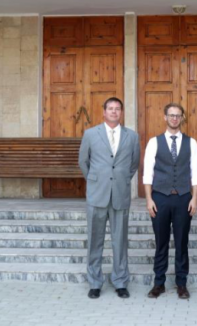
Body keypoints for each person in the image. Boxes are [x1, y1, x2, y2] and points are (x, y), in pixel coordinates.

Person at [78, 97, 140, 299]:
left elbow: (134, 164)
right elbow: (83, 161)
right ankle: (95, 283)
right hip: (97, 195)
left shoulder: (132, 136)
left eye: (117, 109)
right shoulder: (90, 134)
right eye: (110, 108)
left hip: (120, 194)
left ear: (121, 112)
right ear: (104, 112)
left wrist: (121, 180)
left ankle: (120, 282)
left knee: (119, 242)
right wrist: (95, 180)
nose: (114, 112)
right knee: (94, 241)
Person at [143, 103, 197, 299]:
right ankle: (158, 283)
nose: (174, 118)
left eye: (178, 115)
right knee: (161, 242)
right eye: (171, 115)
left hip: (183, 198)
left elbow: (195, 172)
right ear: (165, 117)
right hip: (160, 197)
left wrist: (195, 198)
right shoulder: (154, 142)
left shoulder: (191, 143)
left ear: (182, 118)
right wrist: (149, 199)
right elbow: (147, 173)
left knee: (182, 242)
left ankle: (181, 283)